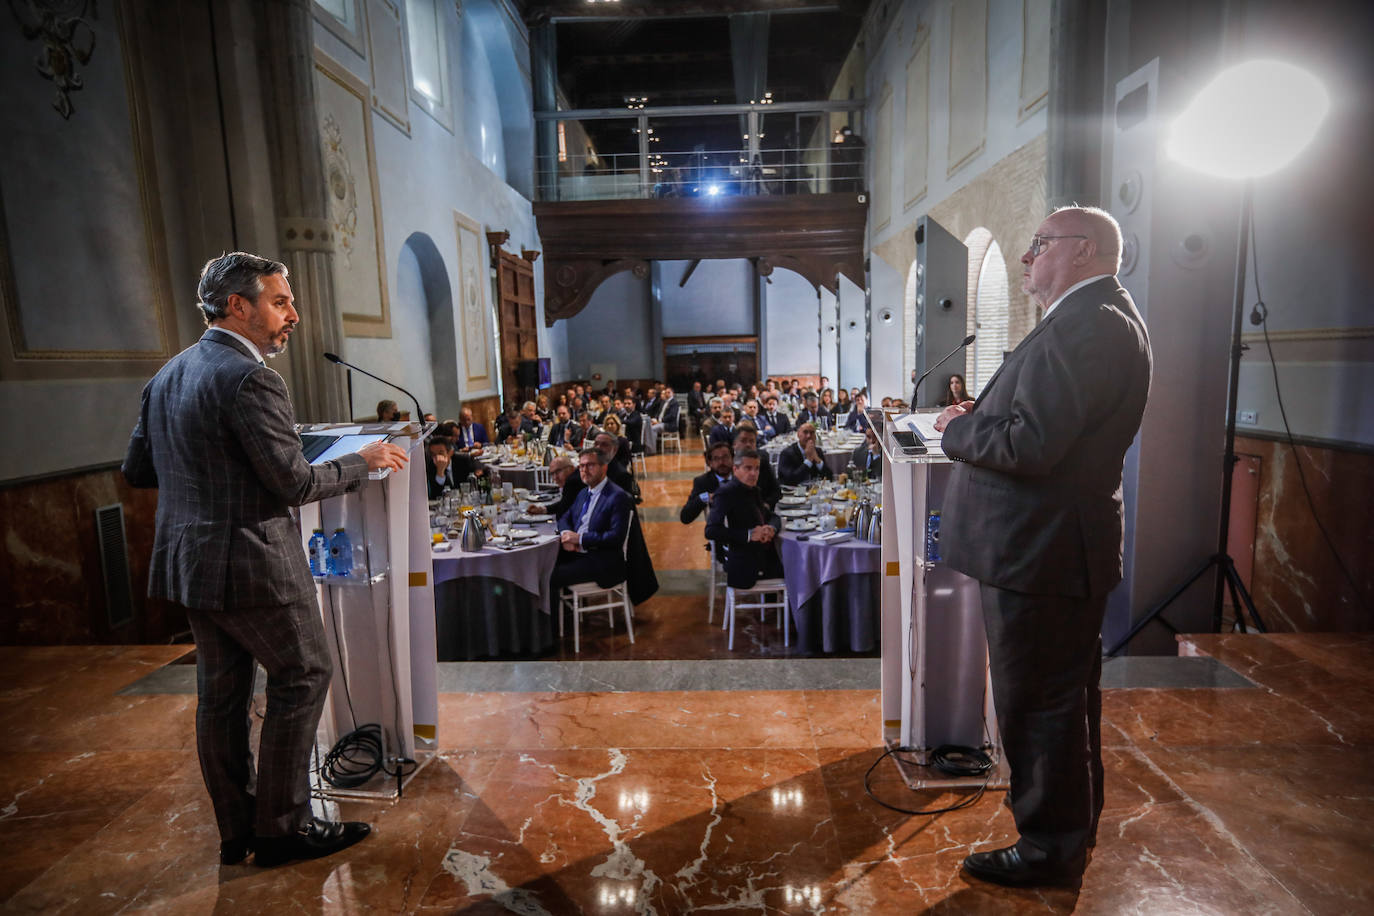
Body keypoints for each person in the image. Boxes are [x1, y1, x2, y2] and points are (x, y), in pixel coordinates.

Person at [121, 252, 409, 867]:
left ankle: (237, 831)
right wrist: (364, 461)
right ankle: (282, 829)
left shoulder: (168, 375)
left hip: (191, 563)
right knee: (303, 674)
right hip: (252, 563)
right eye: (280, 303)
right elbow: (293, 483)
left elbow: (139, 470)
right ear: (238, 306)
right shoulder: (252, 378)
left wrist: (214, 473)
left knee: (220, 698)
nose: (294, 316)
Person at [934, 206, 1152, 889]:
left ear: (1082, 250)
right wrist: (987, 418)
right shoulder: (1094, 317)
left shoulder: (1088, 325)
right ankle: (1069, 829)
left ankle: (1048, 847)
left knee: (1039, 703)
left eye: (1038, 245)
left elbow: (1034, 445)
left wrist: (955, 432)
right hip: (1047, 546)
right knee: (1062, 697)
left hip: (1041, 550)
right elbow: (1044, 425)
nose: (1028, 258)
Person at [551, 448, 635, 592]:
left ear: (604, 467)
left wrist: (580, 539)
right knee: (543, 566)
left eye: (590, 465)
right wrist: (566, 535)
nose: (584, 470)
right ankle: (564, 613)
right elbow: (565, 516)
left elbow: (616, 537)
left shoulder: (617, 496)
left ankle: (556, 614)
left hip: (602, 562)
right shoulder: (584, 492)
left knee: (550, 576)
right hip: (579, 554)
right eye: (582, 466)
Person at [704, 449, 784, 588]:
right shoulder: (726, 493)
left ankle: (780, 607)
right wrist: (748, 535)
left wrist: (771, 528)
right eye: (748, 468)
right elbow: (711, 531)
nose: (753, 473)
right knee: (798, 571)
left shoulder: (754, 490)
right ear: (735, 469)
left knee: (799, 566)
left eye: (757, 468)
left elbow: (773, 517)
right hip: (744, 565)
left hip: (763, 556)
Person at [680, 442, 734, 524]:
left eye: (725, 457)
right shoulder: (703, 482)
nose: (721, 462)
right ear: (710, 463)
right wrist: (705, 497)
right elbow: (685, 517)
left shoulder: (743, 477)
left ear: (733, 459)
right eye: (716, 459)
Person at [732, 424, 781, 510]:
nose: (748, 445)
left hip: (762, 513)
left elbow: (776, 491)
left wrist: (767, 504)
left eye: (752, 441)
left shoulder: (762, 460)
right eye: (743, 441)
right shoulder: (728, 463)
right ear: (734, 444)